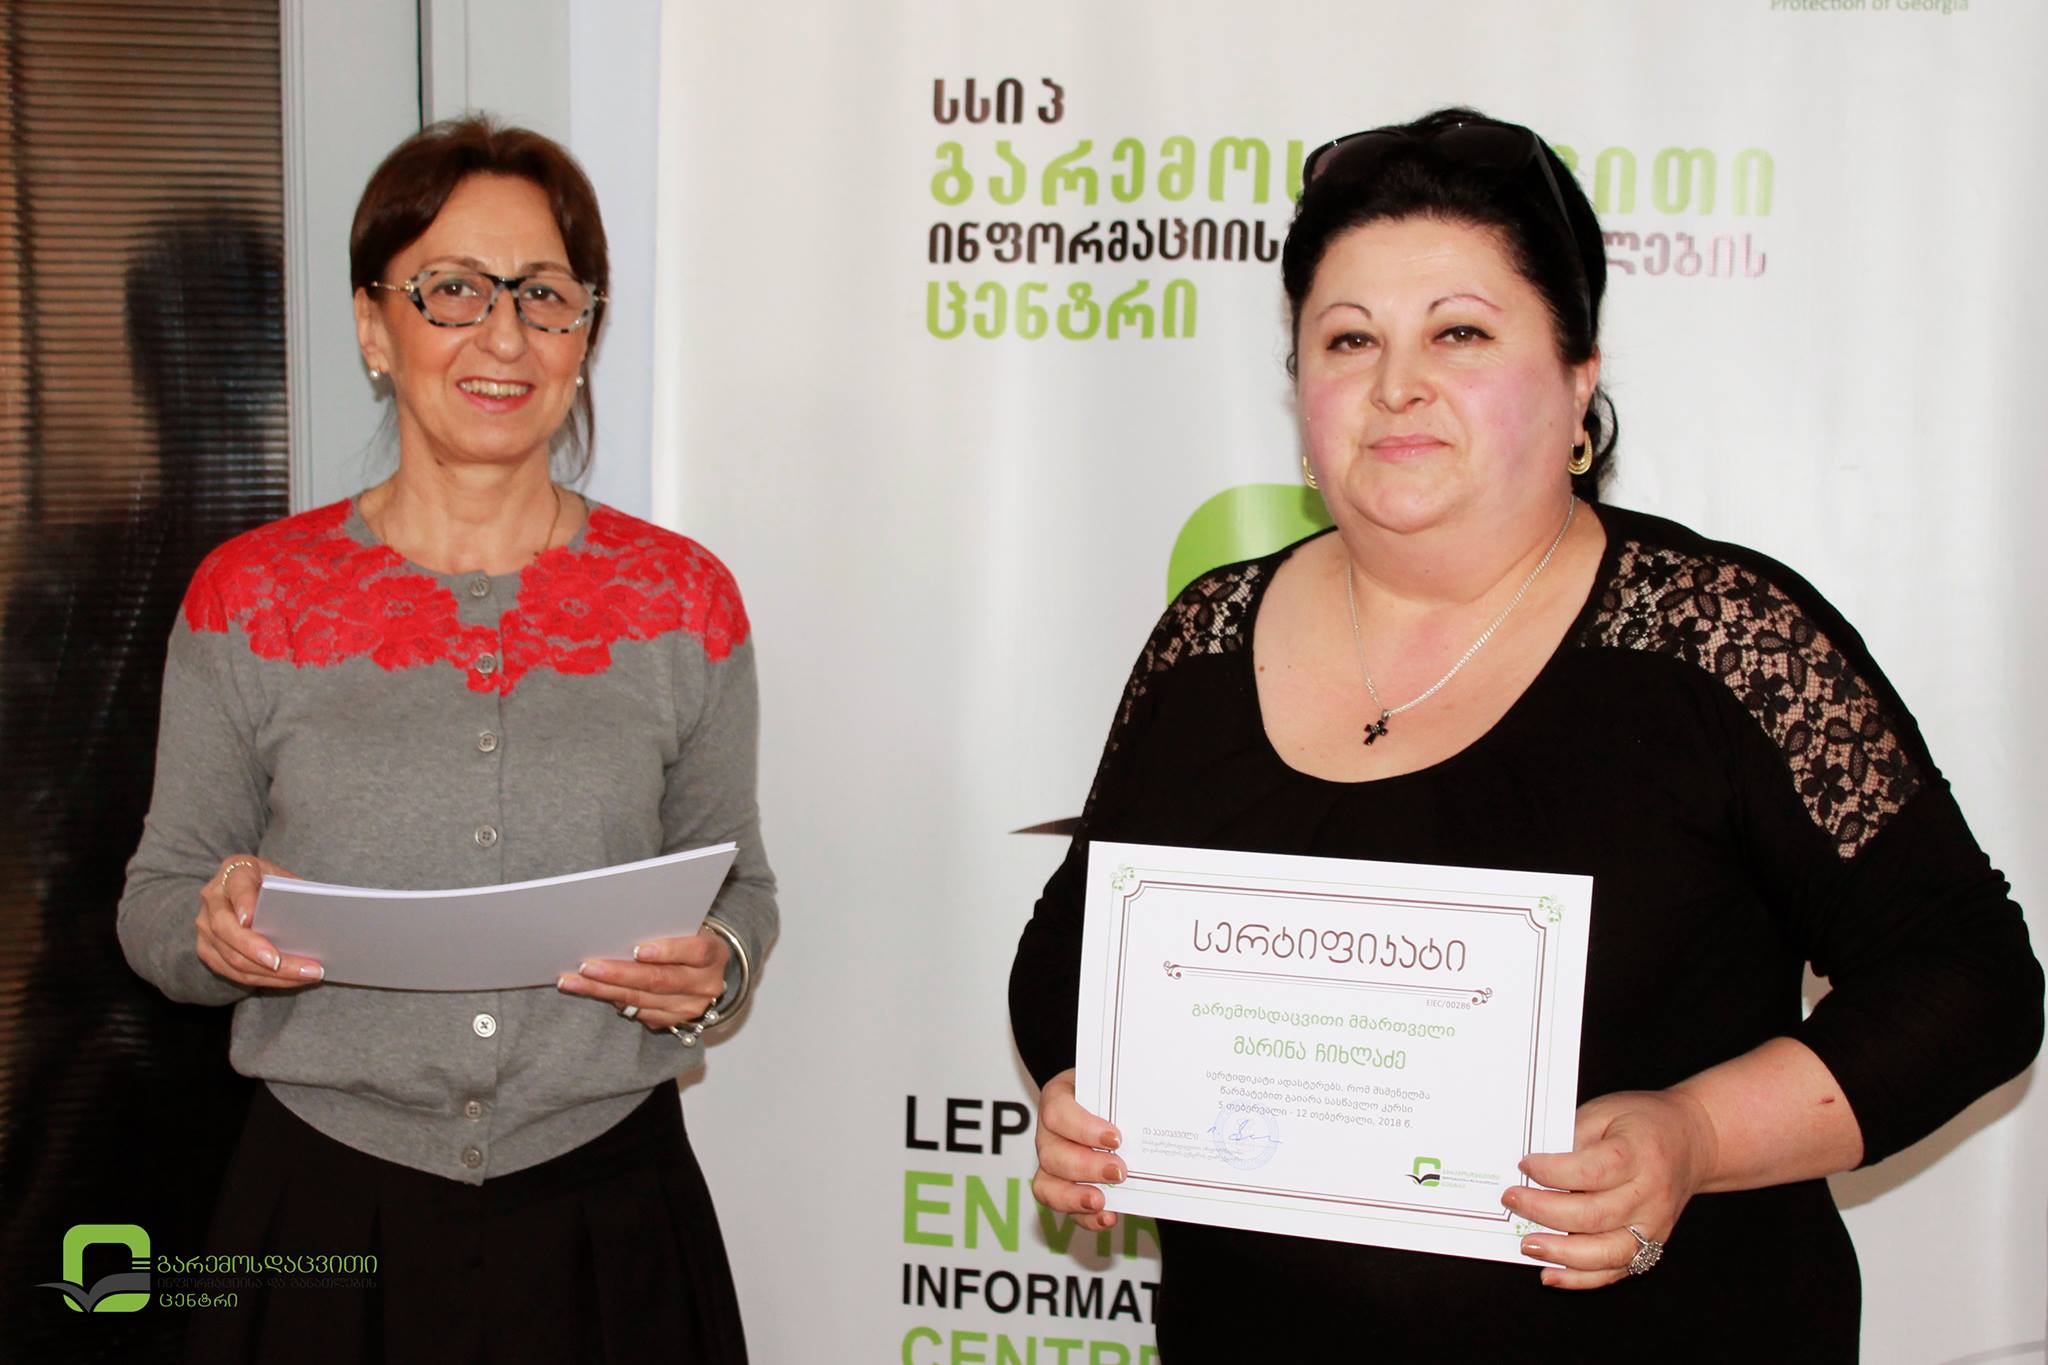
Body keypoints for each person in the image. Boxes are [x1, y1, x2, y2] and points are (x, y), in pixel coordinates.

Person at [1008, 108, 2041, 1358]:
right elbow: (1068, 959)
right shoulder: (1206, 640)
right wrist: (1088, 1094)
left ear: (1575, 379)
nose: (1395, 384)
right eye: (1347, 339)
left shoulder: (1718, 640)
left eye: (1459, 332)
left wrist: (1692, 1136)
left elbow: (1967, 981)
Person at [118, 117, 773, 1363]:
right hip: (325, 1209)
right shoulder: (248, 596)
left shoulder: (682, 600)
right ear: (375, 327)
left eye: (545, 295)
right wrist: (212, 931)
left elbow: (737, 880)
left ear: (585, 334)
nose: (504, 336)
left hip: (608, 1211)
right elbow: (158, 900)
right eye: (453, 290)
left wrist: (721, 965)